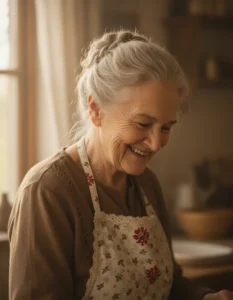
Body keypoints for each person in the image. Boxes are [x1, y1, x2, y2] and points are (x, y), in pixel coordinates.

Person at [8, 30, 233, 300]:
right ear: (95, 109)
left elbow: (168, 283)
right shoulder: (47, 191)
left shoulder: (146, 184)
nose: (156, 143)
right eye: (143, 123)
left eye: (166, 127)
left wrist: (205, 298)